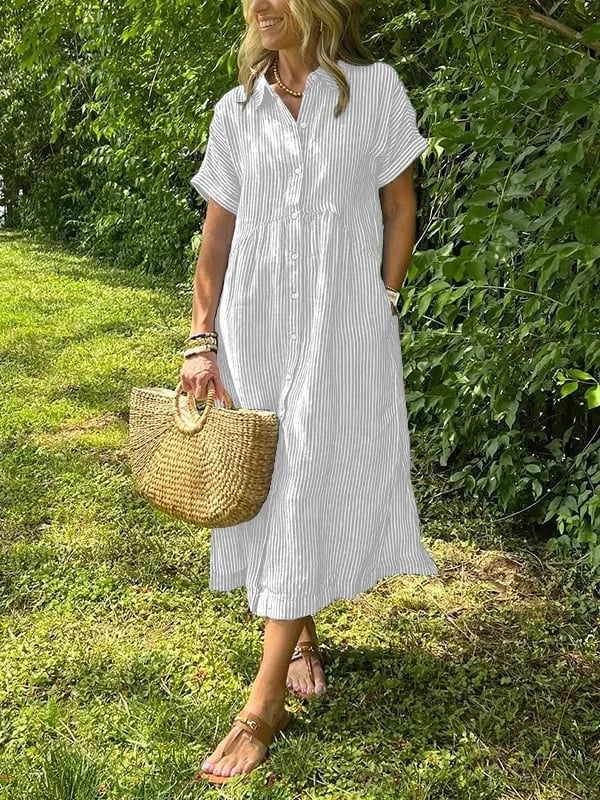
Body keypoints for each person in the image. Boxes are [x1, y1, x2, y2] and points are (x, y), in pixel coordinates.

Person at [181, 0, 439, 784]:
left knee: (306, 481)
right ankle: (301, 633)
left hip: (341, 336)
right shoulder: (237, 113)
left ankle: (262, 705)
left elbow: (401, 207)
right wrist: (200, 338)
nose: (259, 5)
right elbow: (216, 234)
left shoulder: (376, 91)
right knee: (277, 486)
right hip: (255, 331)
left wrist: (380, 304)